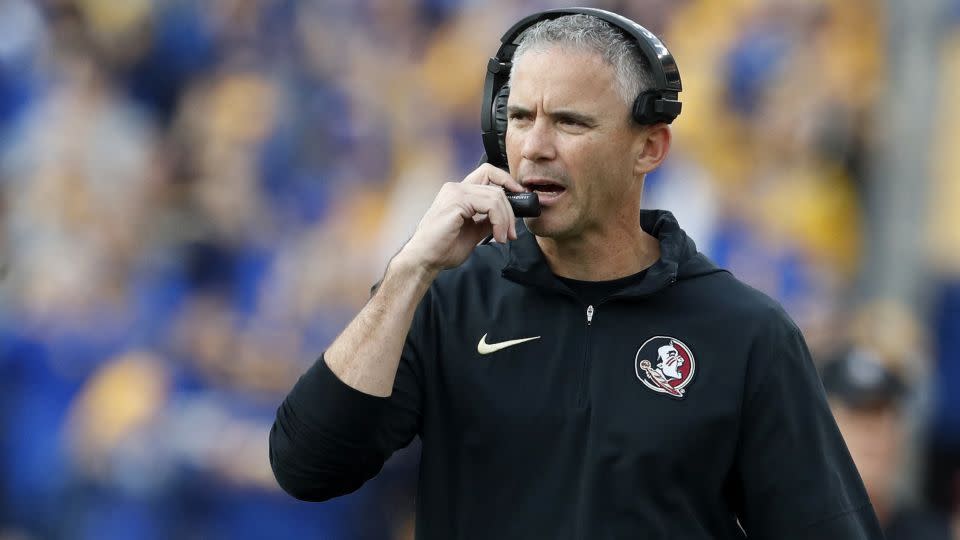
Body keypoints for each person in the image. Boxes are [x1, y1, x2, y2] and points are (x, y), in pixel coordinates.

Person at [270, 8, 883, 539]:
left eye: (570, 122)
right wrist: (407, 272)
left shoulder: (748, 333)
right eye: (518, 118)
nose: (534, 146)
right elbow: (307, 467)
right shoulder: (445, 296)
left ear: (649, 148)